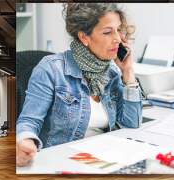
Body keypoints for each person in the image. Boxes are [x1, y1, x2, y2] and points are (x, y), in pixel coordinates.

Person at [16, 3, 142, 167]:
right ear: (84, 37)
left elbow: (131, 125)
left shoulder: (111, 71)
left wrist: (128, 73)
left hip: (102, 158)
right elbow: (29, 121)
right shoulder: (51, 69)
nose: (117, 38)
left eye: (118, 30)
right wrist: (25, 141)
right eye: (108, 32)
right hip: (62, 162)